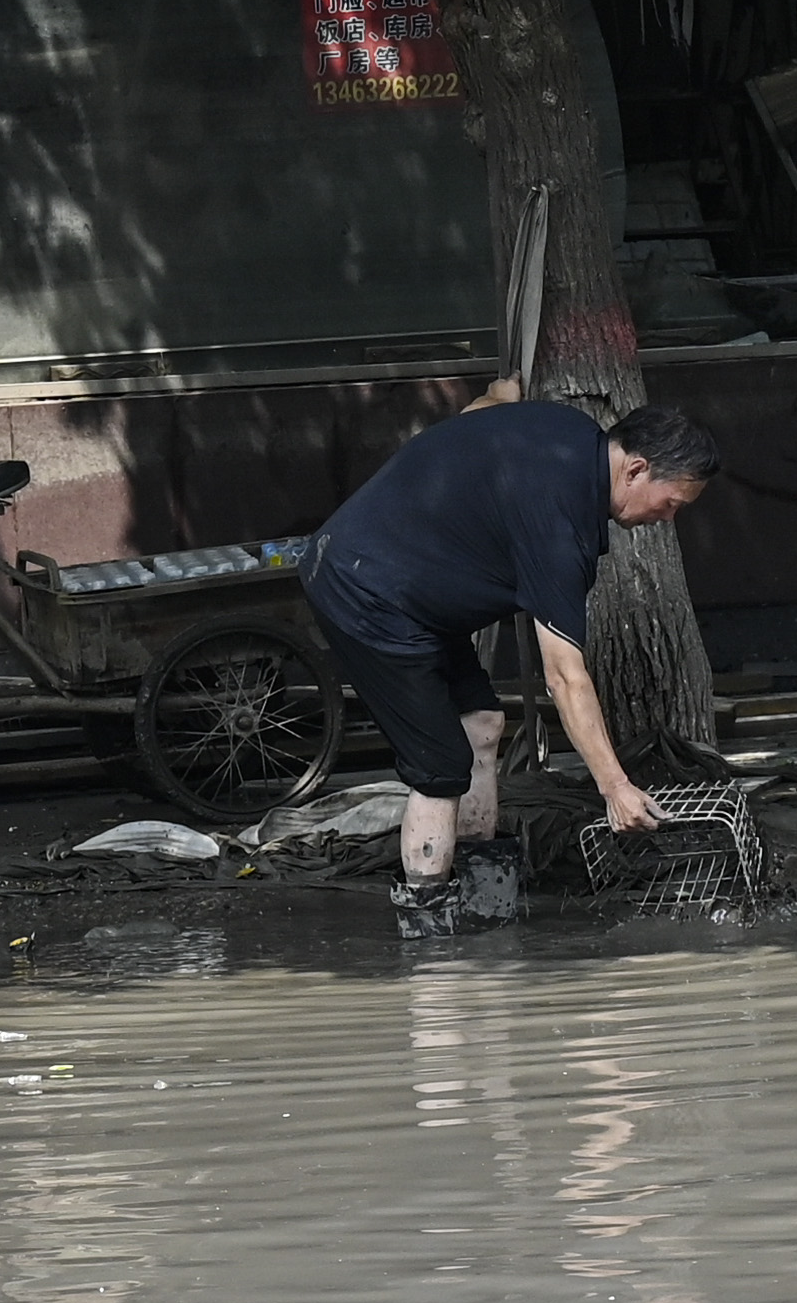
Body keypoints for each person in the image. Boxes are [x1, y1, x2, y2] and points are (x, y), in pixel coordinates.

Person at [294, 396, 714, 936]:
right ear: (635, 469)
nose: (668, 518)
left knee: (484, 725)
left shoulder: (568, 427)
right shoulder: (561, 531)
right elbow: (564, 675)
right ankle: (432, 944)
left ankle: (485, 904)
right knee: (440, 768)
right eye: (672, 502)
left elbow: (480, 413)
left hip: (410, 584)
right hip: (365, 591)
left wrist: (503, 385)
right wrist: (614, 787)